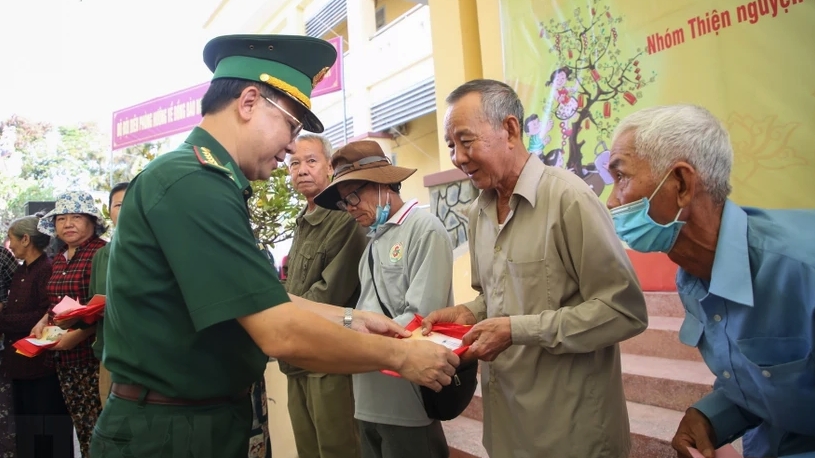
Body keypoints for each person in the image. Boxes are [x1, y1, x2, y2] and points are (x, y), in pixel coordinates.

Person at [90, 34, 459, 458]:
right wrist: (399, 356)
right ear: (248, 102)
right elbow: (277, 329)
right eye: (291, 125)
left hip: (191, 422)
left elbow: (261, 299)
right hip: (170, 432)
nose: (290, 147)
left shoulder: (206, 180)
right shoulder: (194, 183)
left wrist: (353, 319)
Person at [424, 79, 648, 457]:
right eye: (450, 146)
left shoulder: (569, 199)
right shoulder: (478, 212)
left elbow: (623, 311)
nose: (458, 157)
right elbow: (494, 296)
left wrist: (517, 331)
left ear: (510, 129)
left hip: (570, 433)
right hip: (507, 429)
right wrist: (467, 313)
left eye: (466, 140)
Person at [604, 104, 815, 458]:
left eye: (621, 177)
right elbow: (771, 384)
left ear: (682, 184)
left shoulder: (802, 268)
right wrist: (711, 417)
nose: (610, 201)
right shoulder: (694, 277)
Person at [314, 140, 455, 458]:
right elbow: (366, 311)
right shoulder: (374, 243)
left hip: (407, 400)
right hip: (367, 398)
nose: (349, 207)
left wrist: (352, 337)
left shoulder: (424, 229)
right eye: (342, 202)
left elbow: (422, 318)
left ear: (383, 183)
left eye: (352, 195)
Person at [280, 133, 368, 458]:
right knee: (308, 450)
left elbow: (328, 293)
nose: (301, 170)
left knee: (338, 449)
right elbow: (294, 287)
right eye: (294, 163)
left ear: (330, 167)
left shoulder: (344, 218)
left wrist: (278, 314)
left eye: (311, 161)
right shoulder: (303, 221)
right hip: (296, 358)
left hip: (329, 361)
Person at [32, 191, 108, 458]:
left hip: (94, 358)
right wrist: (43, 321)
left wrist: (79, 335)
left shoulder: (101, 253)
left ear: (92, 222)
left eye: (76, 217)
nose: (68, 224)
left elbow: (110, 305)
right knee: (82, 426)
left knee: (100, 428)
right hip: (64, 359)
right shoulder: (61, 257)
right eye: (61, 218)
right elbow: (57, 301)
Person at [1, 216, 74, 458]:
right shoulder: (22, 270)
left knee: (47, 432)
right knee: (26, 431)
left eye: (11, 239)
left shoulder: (46, 268)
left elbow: (45, 314)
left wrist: (4, 320)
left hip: (41, 366)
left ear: (25, 239)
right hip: (19, 363)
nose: (9, 245)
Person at [88, 182, 128, 407]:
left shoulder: (160, 249)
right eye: (118, 204)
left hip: (149, 353)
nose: (124, 210)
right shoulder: (101, 256)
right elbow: (94, 299)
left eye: (131, 203)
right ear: (109, 211)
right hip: (110, 352)